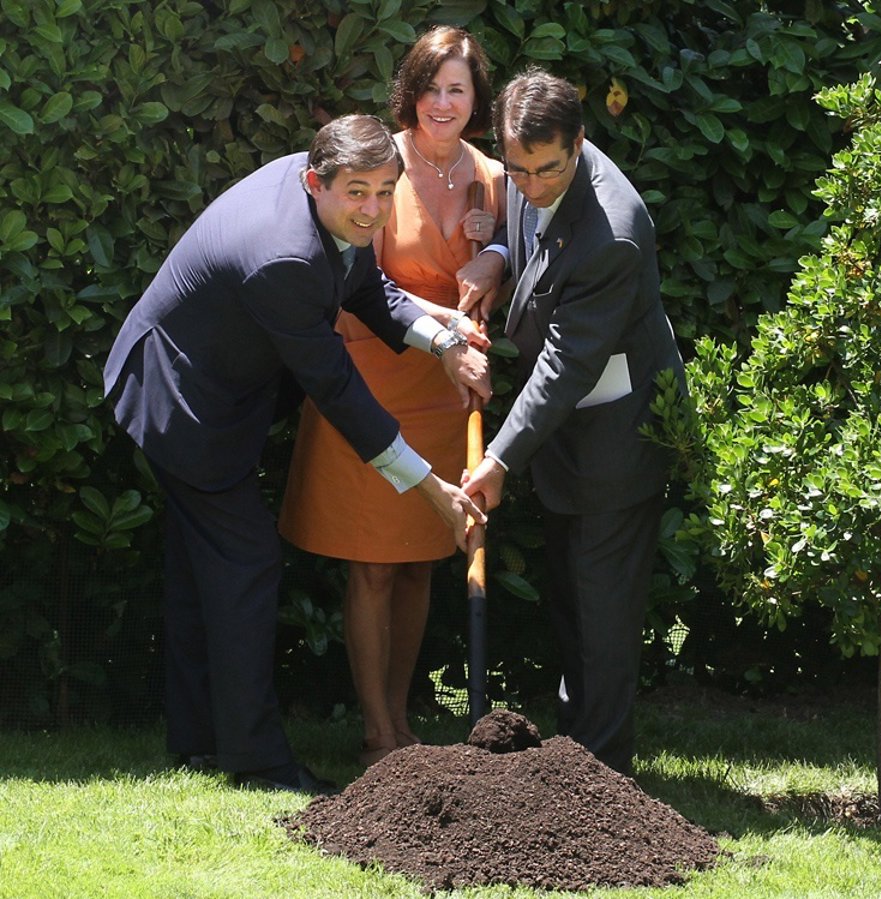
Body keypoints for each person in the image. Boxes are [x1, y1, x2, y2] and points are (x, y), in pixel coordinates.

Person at [103, 114, 491, 794]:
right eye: (357, 194)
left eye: (384, 192)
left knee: (205, 572)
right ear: (317, 182)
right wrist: (430, 486)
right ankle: (257, 760)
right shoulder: (285, 256)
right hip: (180, 401)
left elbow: (368, 289)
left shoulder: (331, 202)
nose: (373, 210)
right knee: (245, 562)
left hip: (215, 394)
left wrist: (445, 339)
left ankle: (199, 740)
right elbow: (337, 389)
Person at [278, 27, 504, 767]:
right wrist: (449, 331)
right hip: (370, 378)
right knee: (372, 563)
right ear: (411, 90)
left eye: (457, 89)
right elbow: (365, 288)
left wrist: (498, 258)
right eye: (432, 87)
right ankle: (377, 734)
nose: (443, 103)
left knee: (417, 560)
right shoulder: (383, 164)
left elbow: (518, 255)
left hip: (444, 392)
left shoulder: (492, 177)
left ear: (475, 98)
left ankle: (403, 724)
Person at [458, 69, 686, 774]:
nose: (530, 185)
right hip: (567, 433)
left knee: (601, 614)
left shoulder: (613, 234)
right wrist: (497, 257)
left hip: (615, 436)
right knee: (571, 599)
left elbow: (566, 365)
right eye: (517, 170)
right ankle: (575, 761)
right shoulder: (530, 167)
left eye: (547, 170)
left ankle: (603, 778)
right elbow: (523, 231)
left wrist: (497, 459)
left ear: (579, 144)